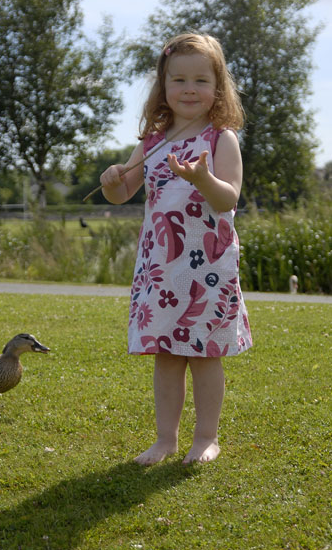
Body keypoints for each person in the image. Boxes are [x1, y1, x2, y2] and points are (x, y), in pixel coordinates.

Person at [100, 33, 252, 466]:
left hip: (208, 268)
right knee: (166, 355)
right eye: (179, 80)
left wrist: (202, 178)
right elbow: (123, 193)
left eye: (201, 80)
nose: (189, 89)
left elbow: (227, 198)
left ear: (218, 87)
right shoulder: (153, 142)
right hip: (161, 269)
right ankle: (165, 439)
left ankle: (206, 438)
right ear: (163, 86)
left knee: (205, 355)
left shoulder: (221, 139)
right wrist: (112, 182)